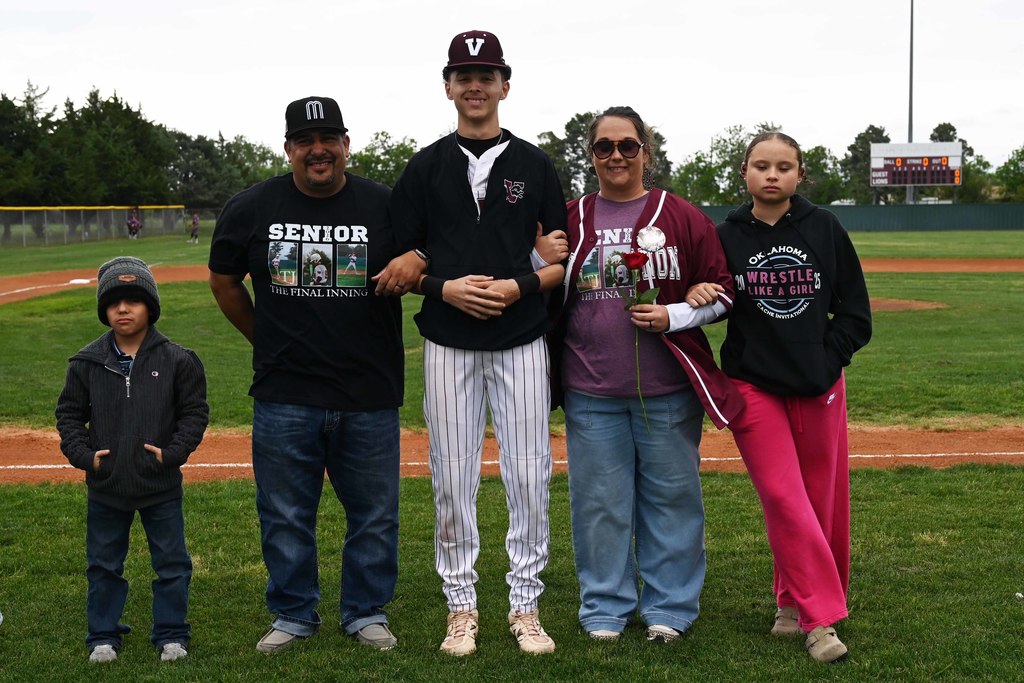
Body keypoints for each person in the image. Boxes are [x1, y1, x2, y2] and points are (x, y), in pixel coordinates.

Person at [375, 30, 568, 656]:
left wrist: (517, 287)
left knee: (529, 473)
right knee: (452, 476)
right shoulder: (425, 166)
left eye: (487, 75)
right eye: (464, 75)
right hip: (449, 340)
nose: (476, 85)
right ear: (448, 87)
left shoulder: (535, 163)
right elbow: (401, 265)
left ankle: (524, 603)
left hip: (521, 337)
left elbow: (561, 262)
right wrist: (442, 288)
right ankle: (461, 606)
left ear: (505, 86)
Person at [208, 96, 404, 654]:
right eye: (304, 141)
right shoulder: (252, 206)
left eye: (328, 139)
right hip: (285, 392)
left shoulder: (385, 205)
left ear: (346, 144)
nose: (317, 150)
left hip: (368, 392)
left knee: (374, 515)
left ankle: (365, 611)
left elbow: (424, 254)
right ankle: (293, 613)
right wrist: (264, 338)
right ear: (289, 147)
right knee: (286, 513)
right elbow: (224, 281)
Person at [547, 106, 743, 643]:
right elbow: (537, 280)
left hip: (668, 391)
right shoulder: (571, 217)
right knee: (599, 506)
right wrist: (538, 255)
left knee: (672, 502)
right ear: (591, 155)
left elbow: (722, 291)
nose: (616, 156)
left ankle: (669, 609)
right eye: (604, 147)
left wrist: (679, 312)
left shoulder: (679, 215)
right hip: (591, 390)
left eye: (627, 146)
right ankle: (605, 609)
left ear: (646, 153)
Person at [713, 131, 872, 663]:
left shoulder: (824, 226)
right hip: (752, 384)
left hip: (818, 382)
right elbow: (707, 297)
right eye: (762, 165)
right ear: (745, 173)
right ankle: (820, 620)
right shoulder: (726, 235)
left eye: (784, 166)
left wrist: (827, 362)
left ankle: (789, 601)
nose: (772, 175)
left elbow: (855, 312)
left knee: (820, 500)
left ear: (800, 174)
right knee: (783, 495)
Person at [55, 256, 209, 664]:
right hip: (107, 488)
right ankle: (103, 635)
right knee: (104, 566)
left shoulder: (179, 359)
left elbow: (195, 412)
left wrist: (174, 454)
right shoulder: (86, 362)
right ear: (104, 309)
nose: (123, 309)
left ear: (150, 307)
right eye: (114, 302)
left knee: (172, 563)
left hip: (160, 486)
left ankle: (172, 633)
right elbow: (69, 414)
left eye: (134, 300)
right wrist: (85, 457)